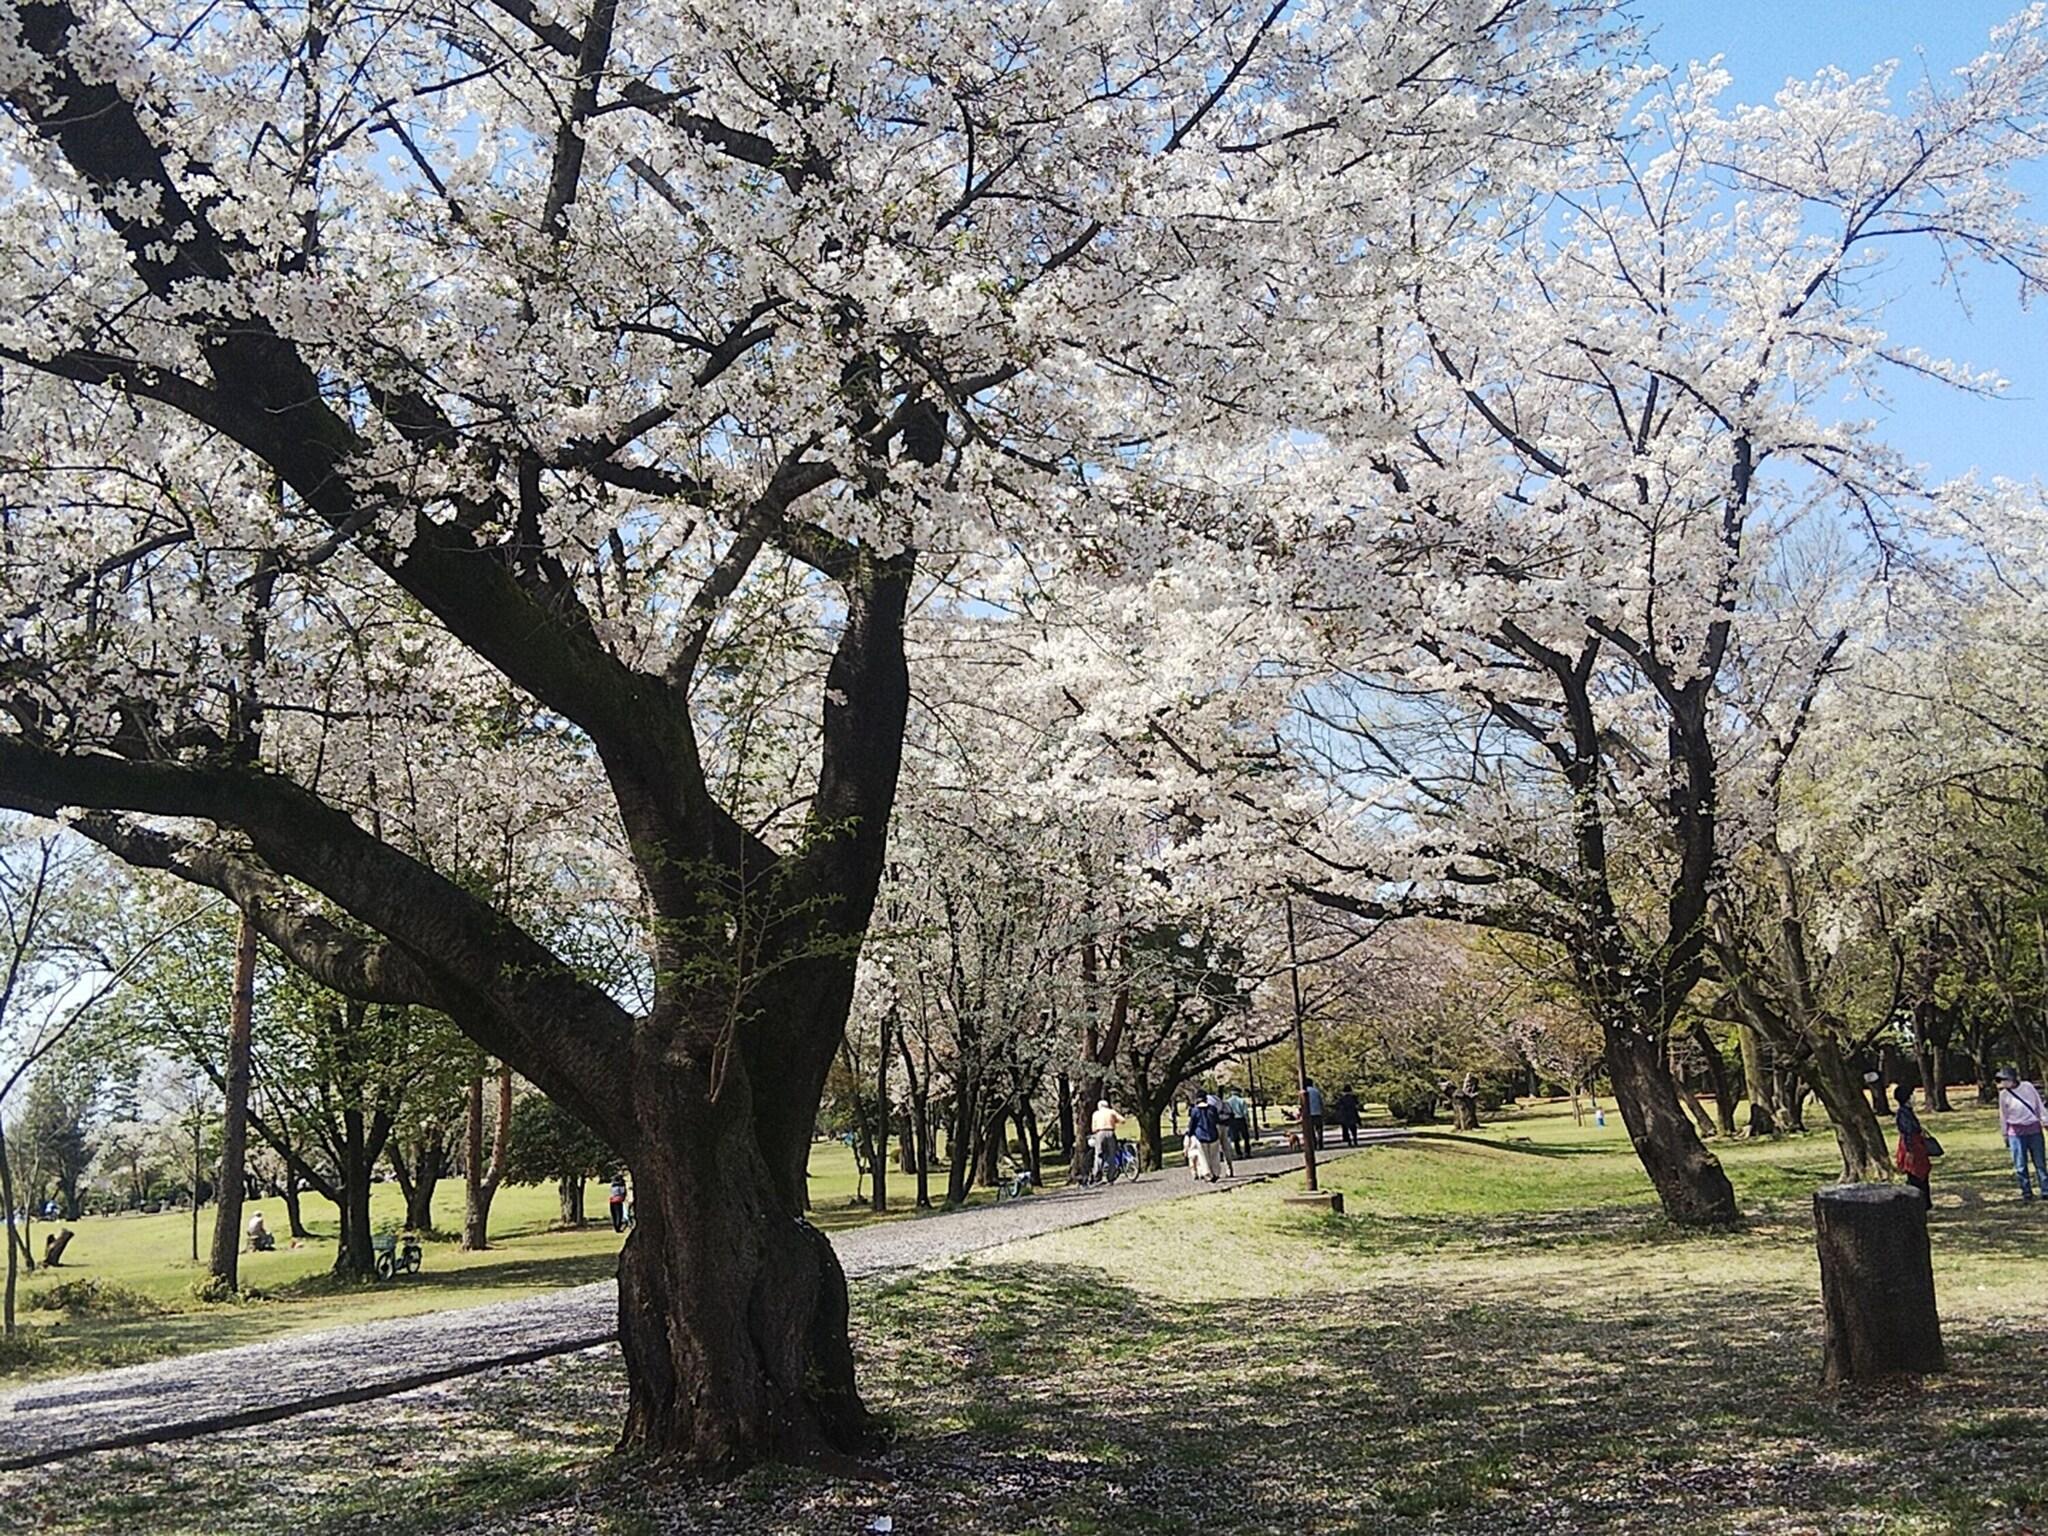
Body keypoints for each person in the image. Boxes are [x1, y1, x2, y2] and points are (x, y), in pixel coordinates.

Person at [1997, 1066, 2048, 1202]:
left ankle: (2045, 1189)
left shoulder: (2027, 1087)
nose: (2003, 1083)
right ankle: (2026, 1192)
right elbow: (2003, 1115)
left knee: (2040, 1162)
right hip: (2015, 1131)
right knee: (2020, 1164)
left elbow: (2038, 1105)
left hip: (2033, 1129)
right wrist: (2005, 1134)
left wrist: (2045, 1120)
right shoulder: (2003, 1095)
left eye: (2005, 1079)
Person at [1893, 1083, 1932, 1206]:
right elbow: (1908, 1132)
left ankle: (1924, 1201)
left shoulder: (1907, 1112)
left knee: (1921, 1173)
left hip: (1916, 1145)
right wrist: (1909, 1151)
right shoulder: (1903, 1113)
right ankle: (1919, 1201)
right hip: (1912, 1146)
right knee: (1915, 1173)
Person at [1188, 1092, 1224, 1182]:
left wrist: (1190, 1134)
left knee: (1203, 1157)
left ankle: (1207, 1174)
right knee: (1214, 1156)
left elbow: (1192, 1124)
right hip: (1213, 1135)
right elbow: (1217, 1121)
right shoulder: (1213, 1109)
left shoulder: (1195, 1110)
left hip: (1200, 1136)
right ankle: (1216, 1173)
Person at [1089, 1099, 1125, 1183]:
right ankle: (1110, 1177)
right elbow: (1123, 1120)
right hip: (1110, 1132)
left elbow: (1093, 1128)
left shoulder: (1096, 1114)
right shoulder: (1111, 1112)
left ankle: (1097, 1176)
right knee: (1111, 1155)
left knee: (1098, 1155)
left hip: (1099, 1133)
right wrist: (1114, 1121)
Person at [1225, 1086, 1252, 1159]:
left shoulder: (1228, 1102)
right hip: (1241, 1119)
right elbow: (1245, 1112)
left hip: (1232, 1120)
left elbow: (1226, 1112)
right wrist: (1248, 1121)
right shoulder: (1242, 1101)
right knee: (1246, 1137)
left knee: (1235, 1138)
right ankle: (1247, 1152)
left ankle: (1238, 1153)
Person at [1304, 1079, 1326, 1148]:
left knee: (1311, 1130)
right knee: (1319, 1129)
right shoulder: (1316, 1091)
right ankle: (1320, 1143)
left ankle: (1314, 1144)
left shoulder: (1305, 1091)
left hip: (1309, 1113)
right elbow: (1320, 1102)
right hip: (1317, 1112)